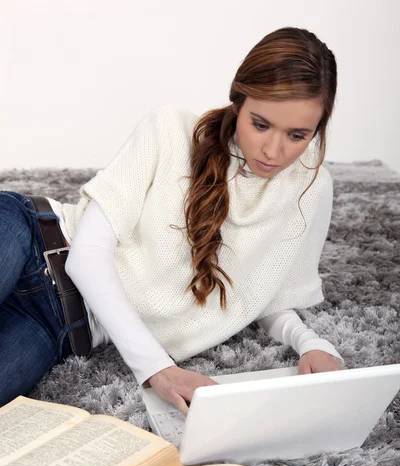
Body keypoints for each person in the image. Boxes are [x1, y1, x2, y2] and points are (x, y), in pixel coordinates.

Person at [0, 26, 344, 413]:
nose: (273, 150)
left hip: (61, 328)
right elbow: (87, 254)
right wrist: (157, 368)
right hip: (32, 239)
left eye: (297, 135)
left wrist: (310, 342)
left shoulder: (310, 188)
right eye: (260, 124)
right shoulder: (170, 130)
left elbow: (263, 293)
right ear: (238, 102)